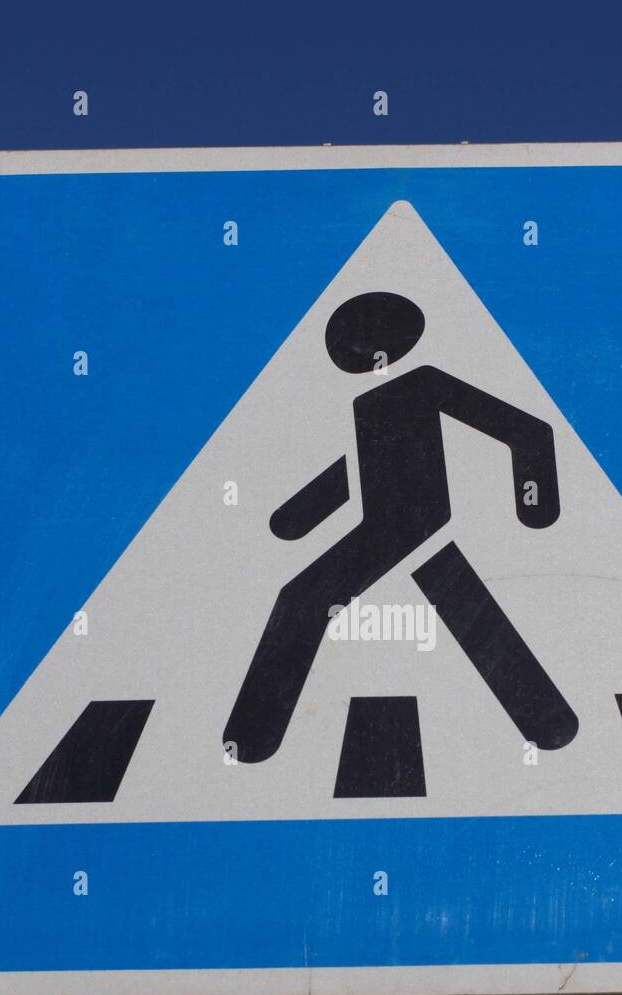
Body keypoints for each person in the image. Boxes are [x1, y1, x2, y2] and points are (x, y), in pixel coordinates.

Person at [223, 291, 578, 764]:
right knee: (466, 608)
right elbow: (357, 470)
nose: (352, 359)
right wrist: (296, 517)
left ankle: (252, 735)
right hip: (395, 523)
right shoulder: (369, 403)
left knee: (304, 600)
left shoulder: (423, 383)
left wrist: (535, 500)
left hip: (411, 522)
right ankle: (548, 720)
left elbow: (522, 429)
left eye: (357, 346)